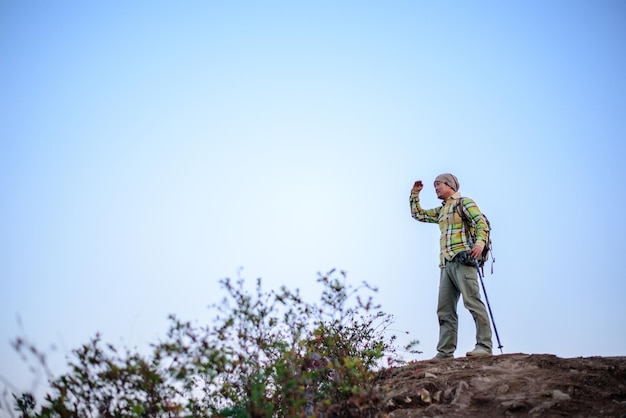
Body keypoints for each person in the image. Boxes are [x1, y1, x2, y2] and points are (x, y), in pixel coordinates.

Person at [409, 173, 493, 359]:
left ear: (450, 185)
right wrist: (415, 194)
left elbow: (480, 222)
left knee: (472, 301)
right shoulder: (441, 211)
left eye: (438, 184)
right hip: (446, 263)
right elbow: (418, 215)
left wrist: (479, 243)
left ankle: (484, 346)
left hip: (464, 258)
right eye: (435, 185)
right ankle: (445, 352)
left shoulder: (464, 202)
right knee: (445, 309)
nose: (436, 188)